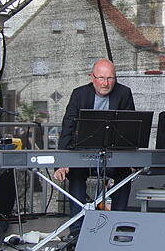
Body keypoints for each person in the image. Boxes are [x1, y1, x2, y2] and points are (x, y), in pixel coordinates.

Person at [53, 59, 135, 237]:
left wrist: (130, 159)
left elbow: (130, 129)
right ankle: (76, 231)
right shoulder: (79, 94)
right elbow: (67, 128)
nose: (106, 83)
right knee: (75, 174)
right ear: (92, 78)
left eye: (110, 78)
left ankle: (118, 227)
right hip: (82, 155)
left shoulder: (124, 93)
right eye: (101, 78)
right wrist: (62, 162)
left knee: (124, 174)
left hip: (112, 155)